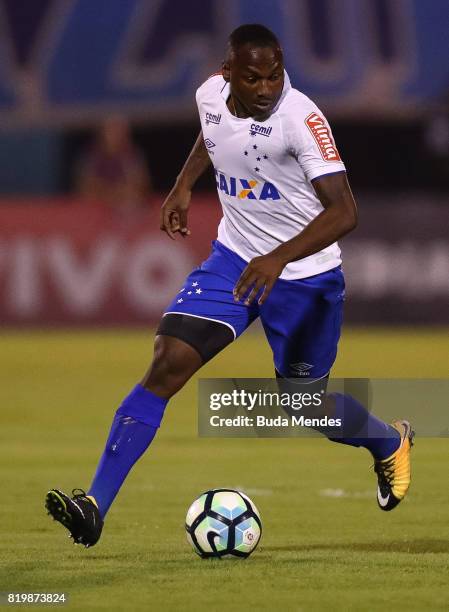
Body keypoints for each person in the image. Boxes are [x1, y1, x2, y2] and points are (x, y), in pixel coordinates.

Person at [45, 24, 414, 547]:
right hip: (235, 260)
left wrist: (279, 258)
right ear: (228, 75)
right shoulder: (209, 95)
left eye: (274, 76)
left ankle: (387, 442)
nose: (266, 88)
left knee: (305, 404)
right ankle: (94, 506)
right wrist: (180, 186)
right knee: (167, 360)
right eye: (253, 78)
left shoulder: (301, 120)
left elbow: (345, 212)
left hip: (306, 278)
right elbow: (213, 132)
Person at [76, 116, 150, 213]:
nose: (117, 137)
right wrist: (109, 193)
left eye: (120, 133)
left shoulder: (132, 155)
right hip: (95, 209)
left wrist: (119, 193)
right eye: (112, 132)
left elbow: (140, 186)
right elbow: (85, 187)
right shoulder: (92, 156)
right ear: (103, 134)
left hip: (124, 208)